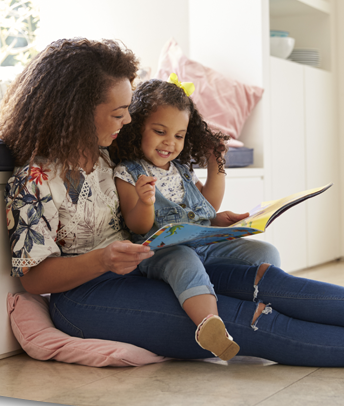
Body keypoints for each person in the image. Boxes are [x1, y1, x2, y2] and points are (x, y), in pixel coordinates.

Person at [0, 37, 344, 371]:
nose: (126, 120)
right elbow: (34, 275)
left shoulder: (109, 158)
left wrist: (209, 222)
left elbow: (163, 189)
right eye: (118, 112)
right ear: (78, 110)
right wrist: (102, 259)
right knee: (247, 322)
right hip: (89, 299)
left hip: (145, 264)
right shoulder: (33, 179)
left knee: (270, 281)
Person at [111, 76, 281, 361]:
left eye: (179, 136)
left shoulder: (181, 170)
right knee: (184, 260)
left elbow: (207, 206)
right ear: (138, 127)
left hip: (205, 243)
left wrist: (217, 170)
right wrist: (144, 201)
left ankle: (264, 304)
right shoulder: (129, 172)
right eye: (160, 131)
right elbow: (136, 226)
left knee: (265, 251)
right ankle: (210, 326)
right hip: (162, 252)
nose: (170, 142)